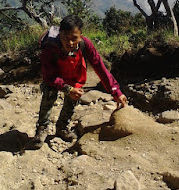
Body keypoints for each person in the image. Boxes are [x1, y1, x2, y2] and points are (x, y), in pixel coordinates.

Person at [32, 15, 127, 148]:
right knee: (49, 91)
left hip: (74, 76)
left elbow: (99, 66)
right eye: (65, 37)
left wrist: (115, 91)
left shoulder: (85, 44)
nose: (70, 43)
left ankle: (62, 127)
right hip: (55, 77)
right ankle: (42, 128)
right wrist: (67, 89)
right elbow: (49, 76)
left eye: (74, 38)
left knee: (74, 97)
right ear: (60, 34)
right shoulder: (50, 47)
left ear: (81, 35)